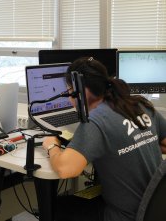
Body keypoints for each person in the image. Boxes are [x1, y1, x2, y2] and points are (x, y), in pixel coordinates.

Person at [42, 57, 166, 221]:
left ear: (81, 91)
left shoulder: (96, 121)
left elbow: (66, 169)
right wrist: (140, 144)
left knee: (58, 208)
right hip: (156, 211)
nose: (69, 99)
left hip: (125, 216)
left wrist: (52, 146)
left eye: (69, 91)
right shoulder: (139, 105)